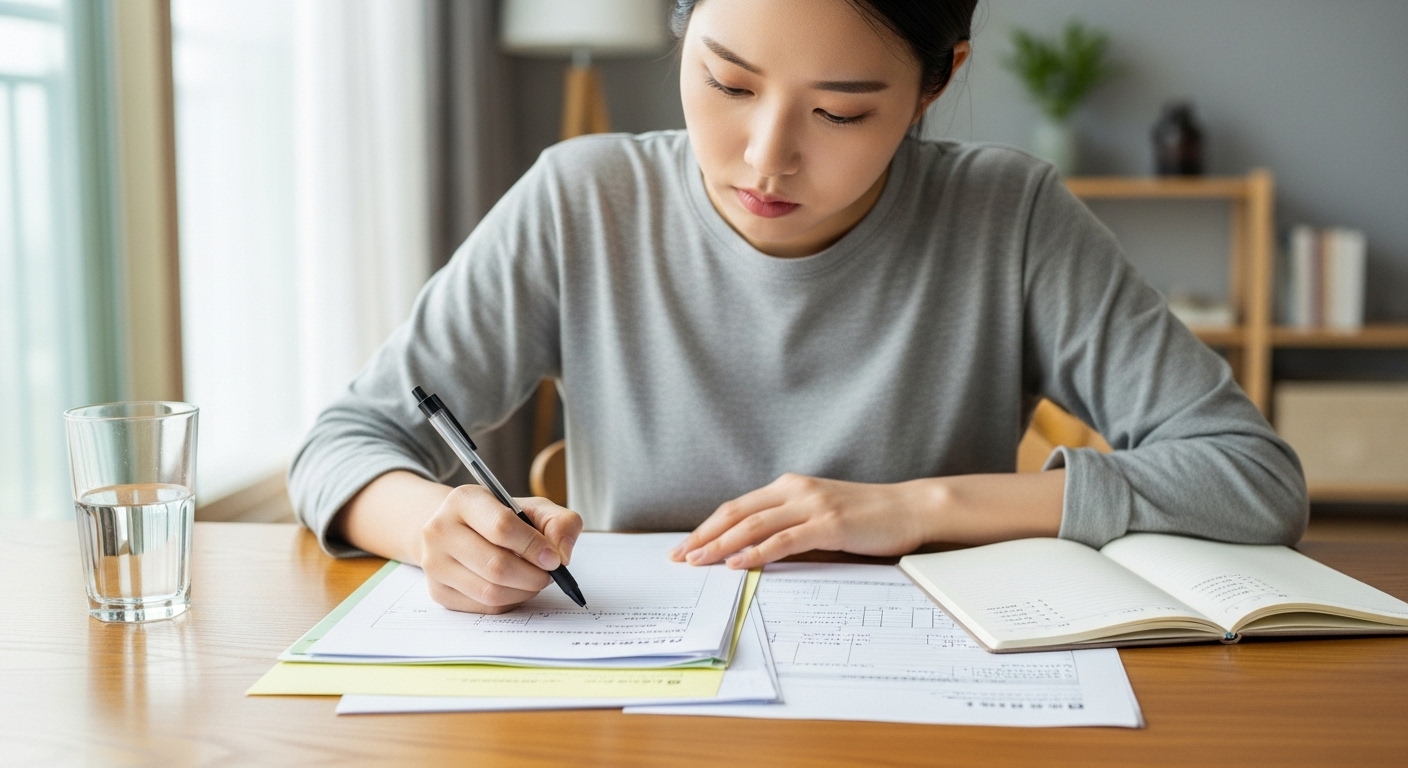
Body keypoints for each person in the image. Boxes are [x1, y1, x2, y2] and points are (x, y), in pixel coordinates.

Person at [289, 0, 1307, 614]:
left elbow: (1249, 480)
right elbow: (348, 438)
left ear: (933, 85)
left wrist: (914, 508)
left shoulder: (1009, 215)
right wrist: (436, 525)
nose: (765, 158)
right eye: (727, 84)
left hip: (934, 703)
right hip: (638, 707)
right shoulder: (579, 200)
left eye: (840, 111)